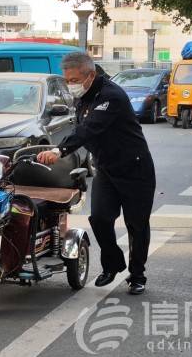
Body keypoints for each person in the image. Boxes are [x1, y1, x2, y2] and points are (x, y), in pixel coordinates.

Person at [37, 52, 156, 295]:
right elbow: (79, 128)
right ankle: (112, 265)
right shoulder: (83, 98)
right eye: (67, 80)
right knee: (100, 218)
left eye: (74, 79)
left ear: (90, 75)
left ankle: (137, 275)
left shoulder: (110, 96)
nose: (71, 85)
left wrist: (59, 150)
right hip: (106, 168)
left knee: (137, 225)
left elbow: (90, 129)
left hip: (135, 169)